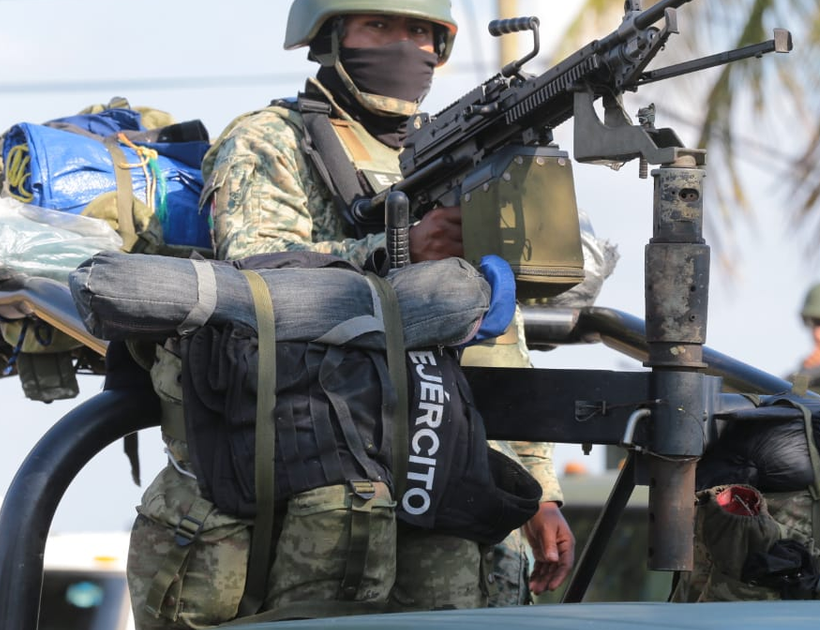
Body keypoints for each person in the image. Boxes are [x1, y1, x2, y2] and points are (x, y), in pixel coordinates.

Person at [126, 2, 572, 626]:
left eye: (421, 32)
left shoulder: (453, 154)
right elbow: (257, 271)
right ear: (330, 38)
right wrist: (397, 250)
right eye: (379, 28)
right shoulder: (269, 137)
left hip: (436, 465)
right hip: (309, 465)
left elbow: (495, 336)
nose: (403, 46)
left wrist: (538, 490)